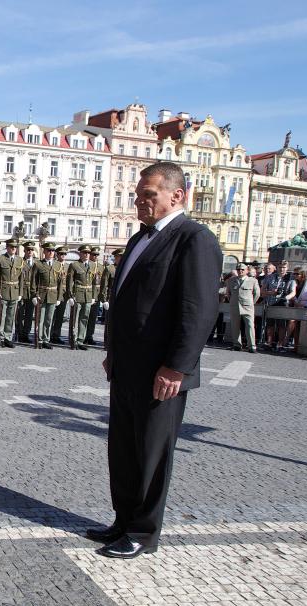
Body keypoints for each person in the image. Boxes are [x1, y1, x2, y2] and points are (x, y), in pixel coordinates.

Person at [92, 161, 222, 559]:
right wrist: (113, 352)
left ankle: (144, 532)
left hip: (161, 370)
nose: (139, 201)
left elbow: (197, 310)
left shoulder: (193, 239)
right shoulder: (138, 240)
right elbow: (125, 303)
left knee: (151, 450)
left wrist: (177, 367)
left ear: (176, 195)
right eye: (137, 195)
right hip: (128, 366)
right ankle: (123, 519)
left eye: (148, 195)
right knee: (123, 449)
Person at [29, 242, 65, 349]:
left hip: (53, 295)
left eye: (53, 251)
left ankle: (46, 339)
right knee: (40, 319)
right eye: (49, 251)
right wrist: (34, 295)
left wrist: (59, 297)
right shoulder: (38, 264)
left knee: (49, 319)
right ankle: (39, 339)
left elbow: (60, 283)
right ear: (44, 252)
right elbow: (33, 281)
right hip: (42, 295)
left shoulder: (58, 265)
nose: (51, 253)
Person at [65, 244, 99, 350]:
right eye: (84, 253)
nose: (87, 255)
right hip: (77, 294)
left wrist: (94, 296)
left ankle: (80, 340)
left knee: (84, 318)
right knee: (74, 318)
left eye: (88, 253)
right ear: (80, 253)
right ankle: (73, 338)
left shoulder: (93, 265)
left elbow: (94, 282)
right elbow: (69, 282)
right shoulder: (74, 265)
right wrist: (70, 295)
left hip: (88, 295)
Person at [0, 238, 23, 348]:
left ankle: (8, 337)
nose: (13, 249)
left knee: (10, 316)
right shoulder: (1, 259)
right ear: (8, 247)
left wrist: (20, 293)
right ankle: (0, 338)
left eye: (15, 247)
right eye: (11, 247)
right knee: (2, 316)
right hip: (3, 291)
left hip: (14, 291)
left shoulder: (20, 260)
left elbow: (21, 278)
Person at [225, 263, 260, 352]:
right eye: (238, 269)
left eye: (242, 269)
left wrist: (251, 303)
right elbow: (228, 294)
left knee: (250, 326)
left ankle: (252, 346)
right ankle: (237, 344)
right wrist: (233, 302)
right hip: (235, 306)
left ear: (247, 271)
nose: (240, 271)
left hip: (248, 307)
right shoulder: (231, 280)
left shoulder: (253, 281)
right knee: (235, 326)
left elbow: (257, 294)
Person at [260, 262, 285, 350]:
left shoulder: (290, 278)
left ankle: (280, 344)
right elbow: (262, 291)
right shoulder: (269, 277)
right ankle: (269, 343)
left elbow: (293, 291)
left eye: (284, 267)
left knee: (281, 325)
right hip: (271, 303)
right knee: (270, 324)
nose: (282, 269)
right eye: (280, 267)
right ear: (276, 268)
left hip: (283, 305)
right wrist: (271, 293)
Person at [16, 240, 37, 342]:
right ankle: (19, 333)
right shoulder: (20, 262)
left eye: (31, 250)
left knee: (29, 314)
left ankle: (26, 334)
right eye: (28, 249)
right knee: (20, 314)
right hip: (22, 290)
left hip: (32, 292)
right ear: (24, 250)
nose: (30, 251)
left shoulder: (37, 263)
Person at [50, 246, 70, 345]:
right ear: (57, 255)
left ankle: (56, 334)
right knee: (50, 315)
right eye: (61, 254)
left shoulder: (67, 266)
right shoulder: (53, 265)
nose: (63, 256)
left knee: (60, 316)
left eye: (65, 254)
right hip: (53, 292)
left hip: (63, 294)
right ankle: (48, 334)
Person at [83, 247, 104, 345]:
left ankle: (89, 335)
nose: (95, 256)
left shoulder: (101, 267)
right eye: (93, 254)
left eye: (97, 255)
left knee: (93, 318)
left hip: (97, 295)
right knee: (84, 316)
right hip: (87, 293)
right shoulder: (87, 265)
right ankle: (82, 335)